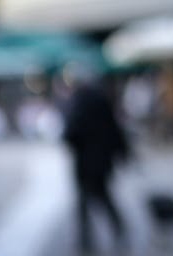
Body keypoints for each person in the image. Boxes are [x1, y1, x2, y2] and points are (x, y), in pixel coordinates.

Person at [62, 73, 130, 254]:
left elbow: (69, 134)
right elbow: (115, 131)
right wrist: (123, 154)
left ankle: (86, 240)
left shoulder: (79, 104)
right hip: (102, 162)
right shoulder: (103, 101)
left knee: (85, 202)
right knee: (104, 198)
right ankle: (119, 229)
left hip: (84, 163)